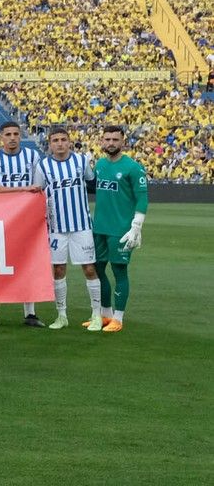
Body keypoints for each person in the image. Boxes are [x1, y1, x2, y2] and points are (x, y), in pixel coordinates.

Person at [32, 126, 100, 330]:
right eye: (55, 140)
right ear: (50, 143)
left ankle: (96, 314)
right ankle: (62, 315)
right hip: (56, 228)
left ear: (69, 141)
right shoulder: (43, 166)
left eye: (63, 139)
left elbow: (91, 182)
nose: (60, 143)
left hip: (81, 226)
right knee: (59, 269)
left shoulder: (81, 161)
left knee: (89, 268)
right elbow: (38, 193)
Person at [0, 121, 45, 327]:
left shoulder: (33, 156)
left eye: (16, 134)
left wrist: (28, 192)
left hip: (26, 217)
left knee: (27, 263)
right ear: (1, 137)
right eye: (7, 134)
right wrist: (25, 190)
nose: (12, 137)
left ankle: (30, 313)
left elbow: (38, 188)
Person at [88, 124, 148, 333]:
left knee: (119, 271)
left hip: (121, 230)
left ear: (123, 141)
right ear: (102, 141)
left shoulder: (133, 167)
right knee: (97, 269)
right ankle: (105, 314)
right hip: (99, 228)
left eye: (115, 139)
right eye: (107, 139)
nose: (111, 143)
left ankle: (118, 318)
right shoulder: (100, 165)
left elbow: (142, 198)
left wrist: (136, 227)